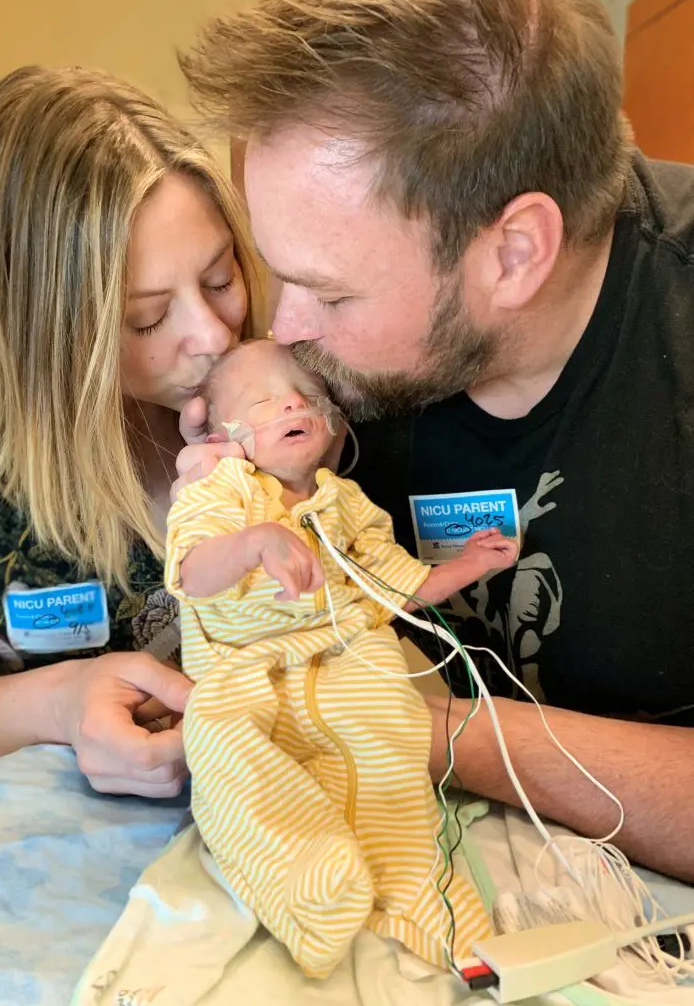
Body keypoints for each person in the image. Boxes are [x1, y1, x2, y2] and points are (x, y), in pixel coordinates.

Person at [174, 0, 694, 881]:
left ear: (514, 253)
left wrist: (428, 729)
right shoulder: (316, 376)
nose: (283, 330)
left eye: (331, 295)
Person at [0, 65, 266, 796]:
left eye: (221, 279)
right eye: (147, 318)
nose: (215, 336)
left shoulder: (261, 384)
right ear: (46, 334)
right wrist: (60, 702)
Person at [167, 340, 514, 976]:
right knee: (224, 755)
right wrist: (256, 542)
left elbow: (397, 588)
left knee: (391, 766)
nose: (292, 402)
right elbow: (192, 574)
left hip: (352, 664)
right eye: (264, 401)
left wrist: (466, 564)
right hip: (244, 674)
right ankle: (306, 881)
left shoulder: (346, 505)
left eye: (306, 396)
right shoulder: (223, 491)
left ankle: (432, 910)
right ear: (223, 435)